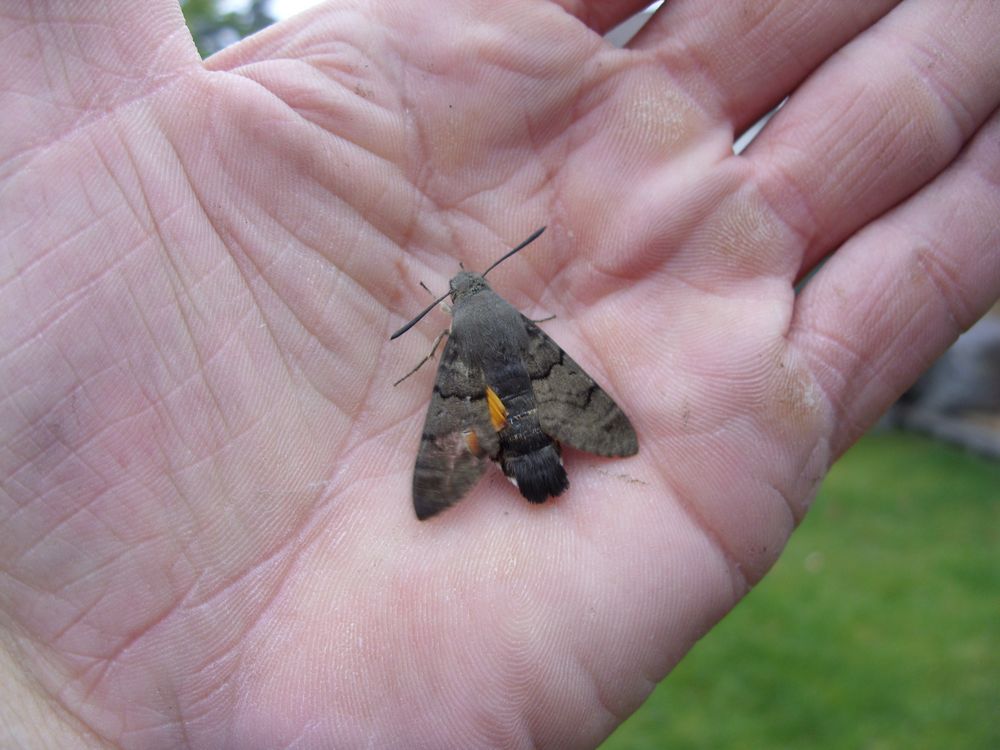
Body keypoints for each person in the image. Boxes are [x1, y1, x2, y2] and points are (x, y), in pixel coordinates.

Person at [2, 1, 998, 747]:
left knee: (480, 403)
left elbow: (447, 377)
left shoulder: (456, 342)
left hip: (476, 392)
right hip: (529, 372)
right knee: (531, 394)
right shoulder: (511, 323)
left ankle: (515, 457)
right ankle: (535, 458)